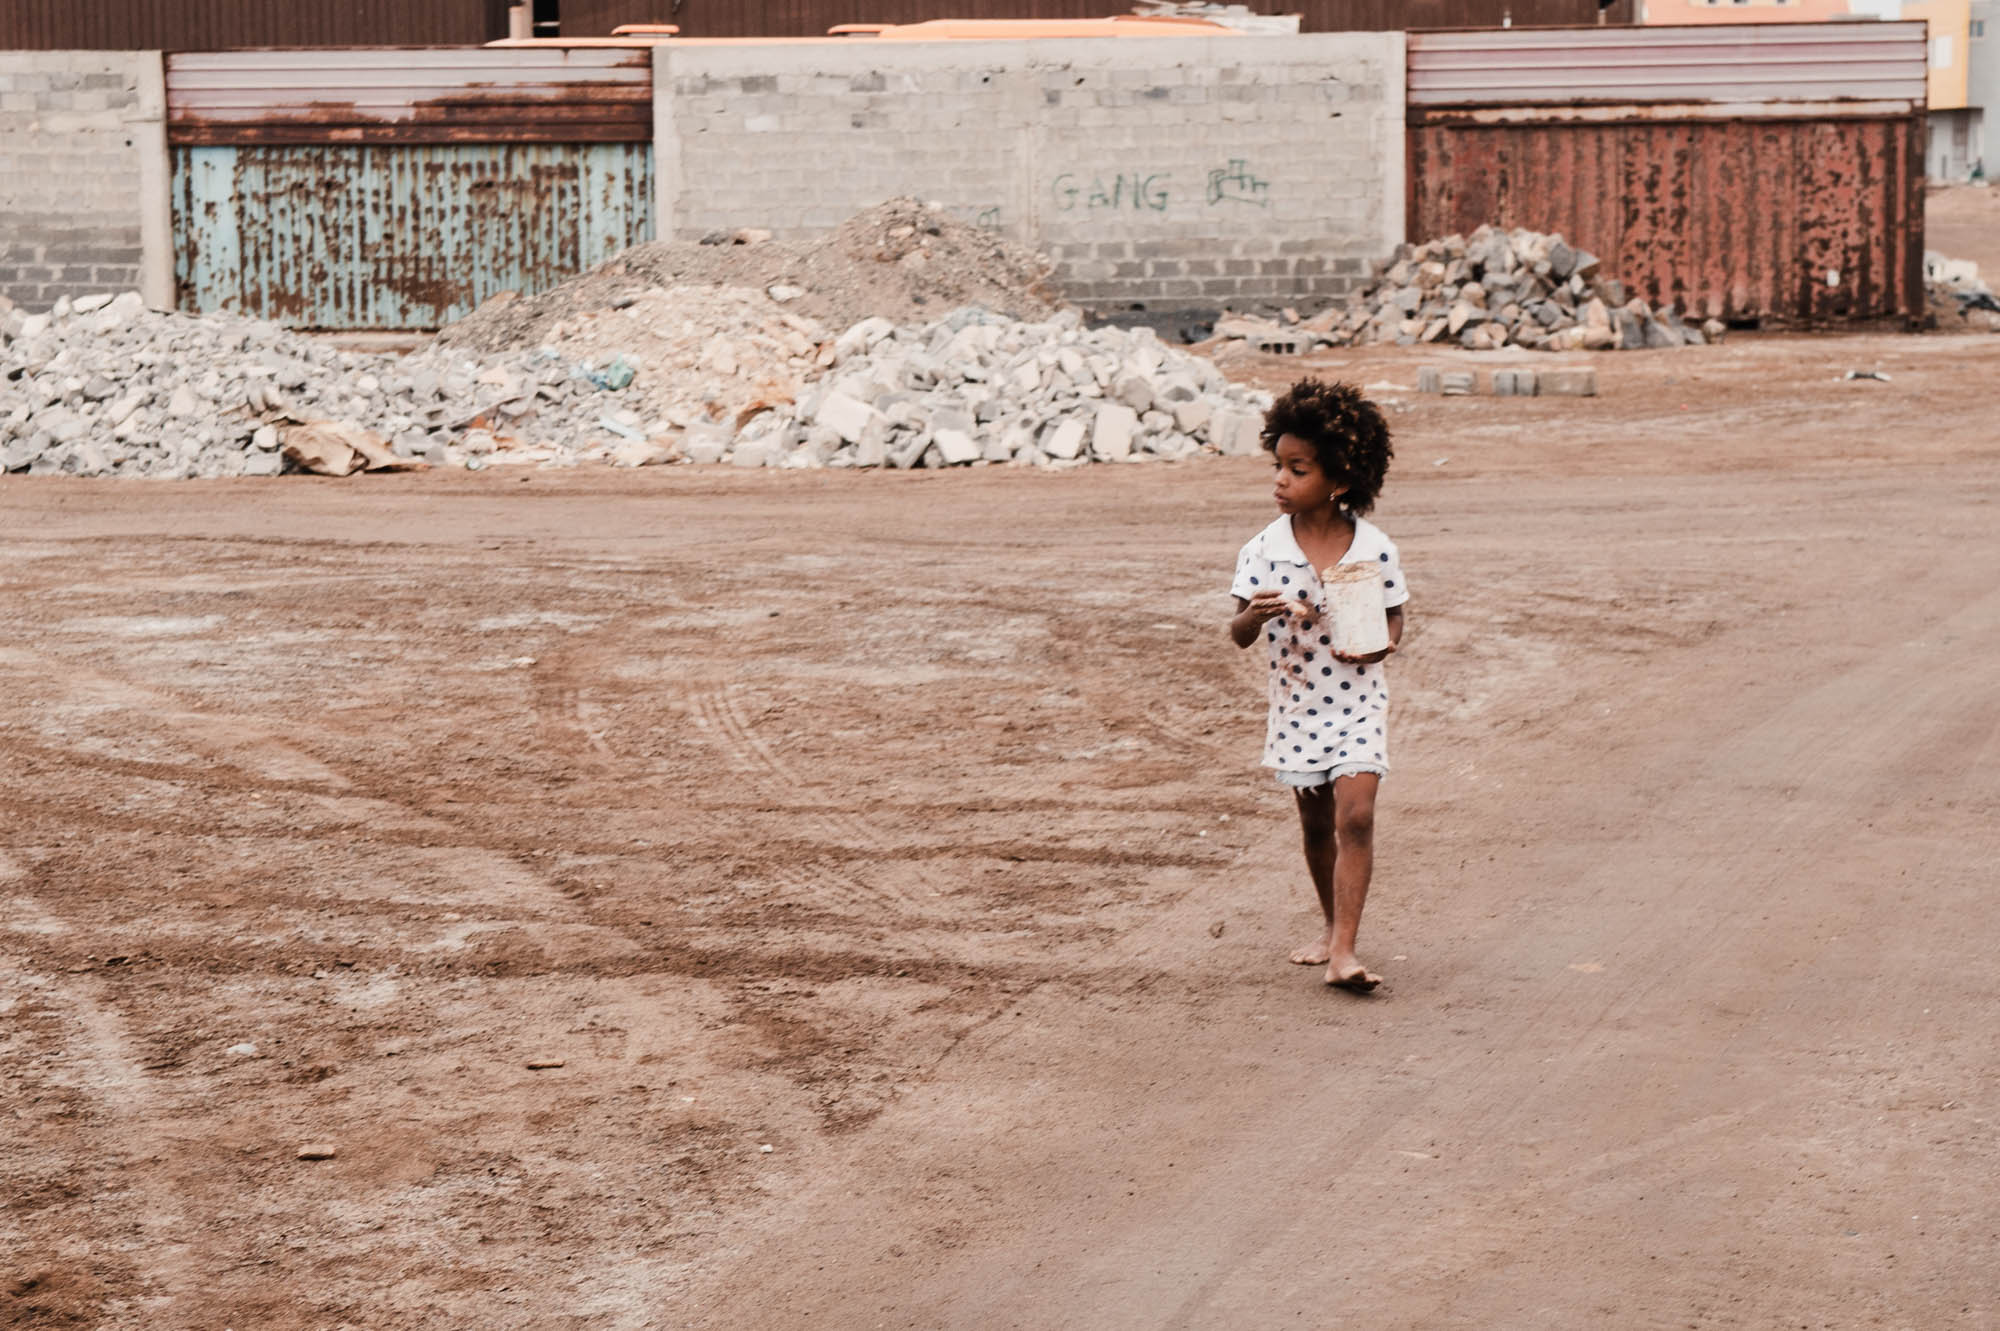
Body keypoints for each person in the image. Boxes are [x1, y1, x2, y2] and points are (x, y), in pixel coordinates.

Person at [1227, 379, 1407, 993]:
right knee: (1315, 827)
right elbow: (1238, 633)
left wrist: (1384, 641)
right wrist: (1255, 615)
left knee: (1355, 817)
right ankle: (1333, 928)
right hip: (1299, 705)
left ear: (1338, 479)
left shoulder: (1375, 550)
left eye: (1296, 468)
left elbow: (1395, 616)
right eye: (1277, 465)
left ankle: (1345, 954)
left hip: (1358, 700)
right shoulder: (1262, 551)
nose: (1279, 479)